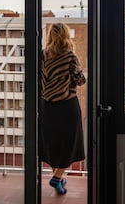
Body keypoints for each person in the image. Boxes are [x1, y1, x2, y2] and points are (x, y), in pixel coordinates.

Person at [40, 22, 86, 195]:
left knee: (53, 143)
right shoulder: (70, 56)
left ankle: (58, 178)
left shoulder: (42, 55)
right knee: (69, 143)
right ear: (66, 36)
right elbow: (79, 80)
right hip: (67, 107)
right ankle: (57, 178)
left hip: (47, 106)